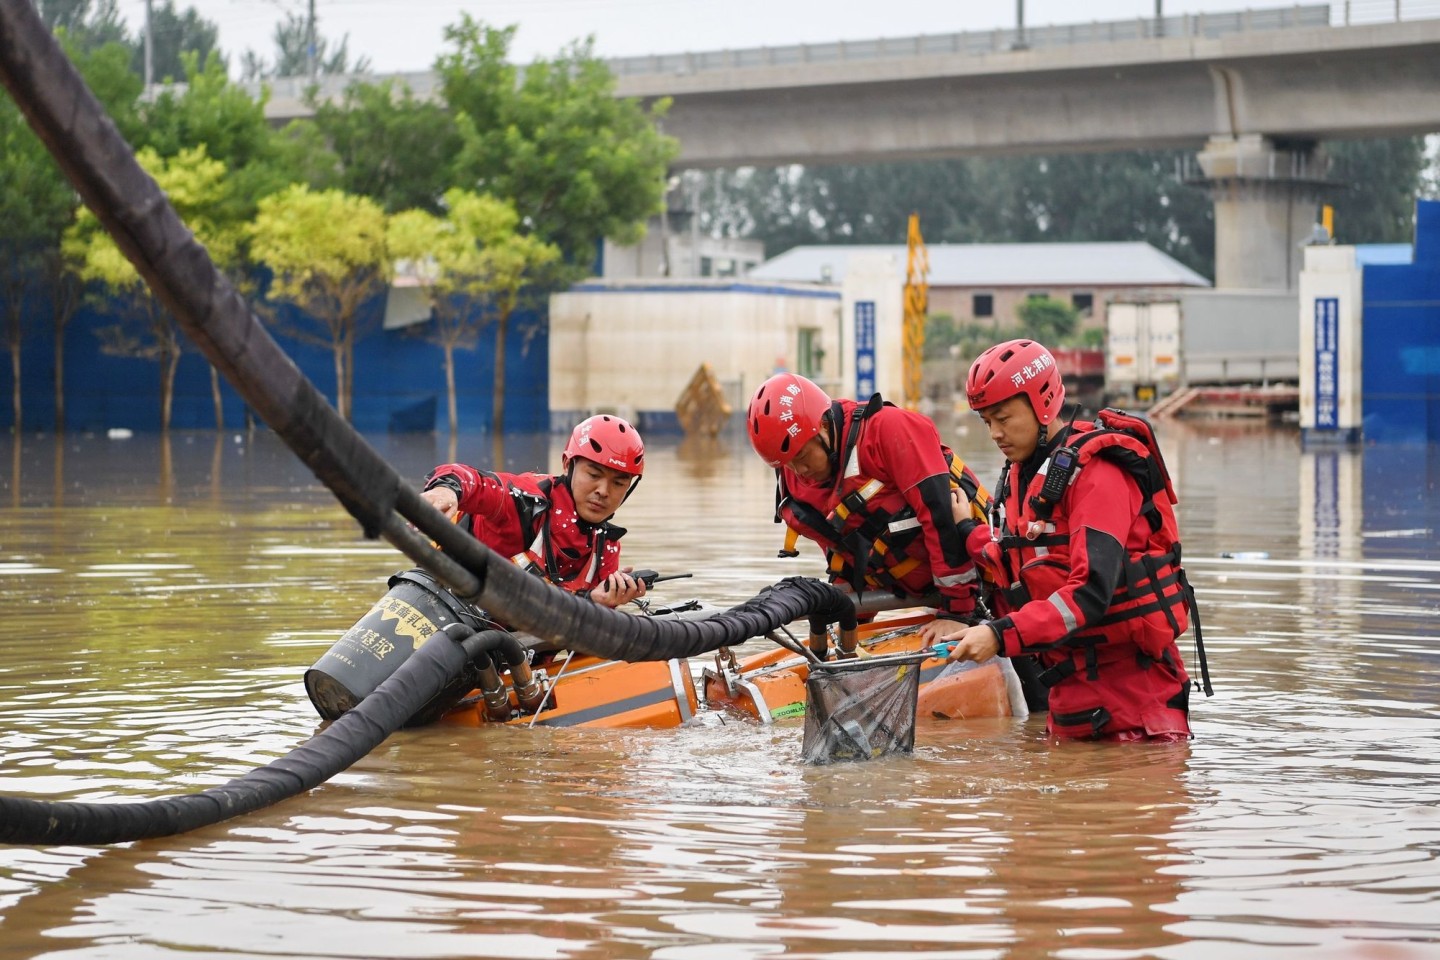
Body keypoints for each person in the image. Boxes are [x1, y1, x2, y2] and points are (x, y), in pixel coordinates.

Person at [919, 338, 1206, 741]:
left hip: (1135, 707)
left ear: (1043, 403)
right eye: (986, 422)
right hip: (1070, 699)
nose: (995, 434)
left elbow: (1090, 591)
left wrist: (999, 634)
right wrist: (967, 529)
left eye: (1003, 417)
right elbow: (1016, 557)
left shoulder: (1099, 474)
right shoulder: (1025, 474)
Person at [745, 372, 989, 624]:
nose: (800, 471)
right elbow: (843, 550)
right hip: (904, 590)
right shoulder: (797, 481)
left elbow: (940, 518)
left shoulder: (888, 431)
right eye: (788, 464)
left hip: (981, 584)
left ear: (824, 426)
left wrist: (957, 612)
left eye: (803, 457)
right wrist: (849, 621)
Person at [419, 414, 648, 608]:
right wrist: (448, 489)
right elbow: (472, 480)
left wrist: (599, 604)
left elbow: (584, 639)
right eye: (594, 475)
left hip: (511, 650)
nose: (603, 491)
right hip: (440, 611)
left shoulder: (606, 547)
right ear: (568, 464)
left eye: (618, 483)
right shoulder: (523, 501)